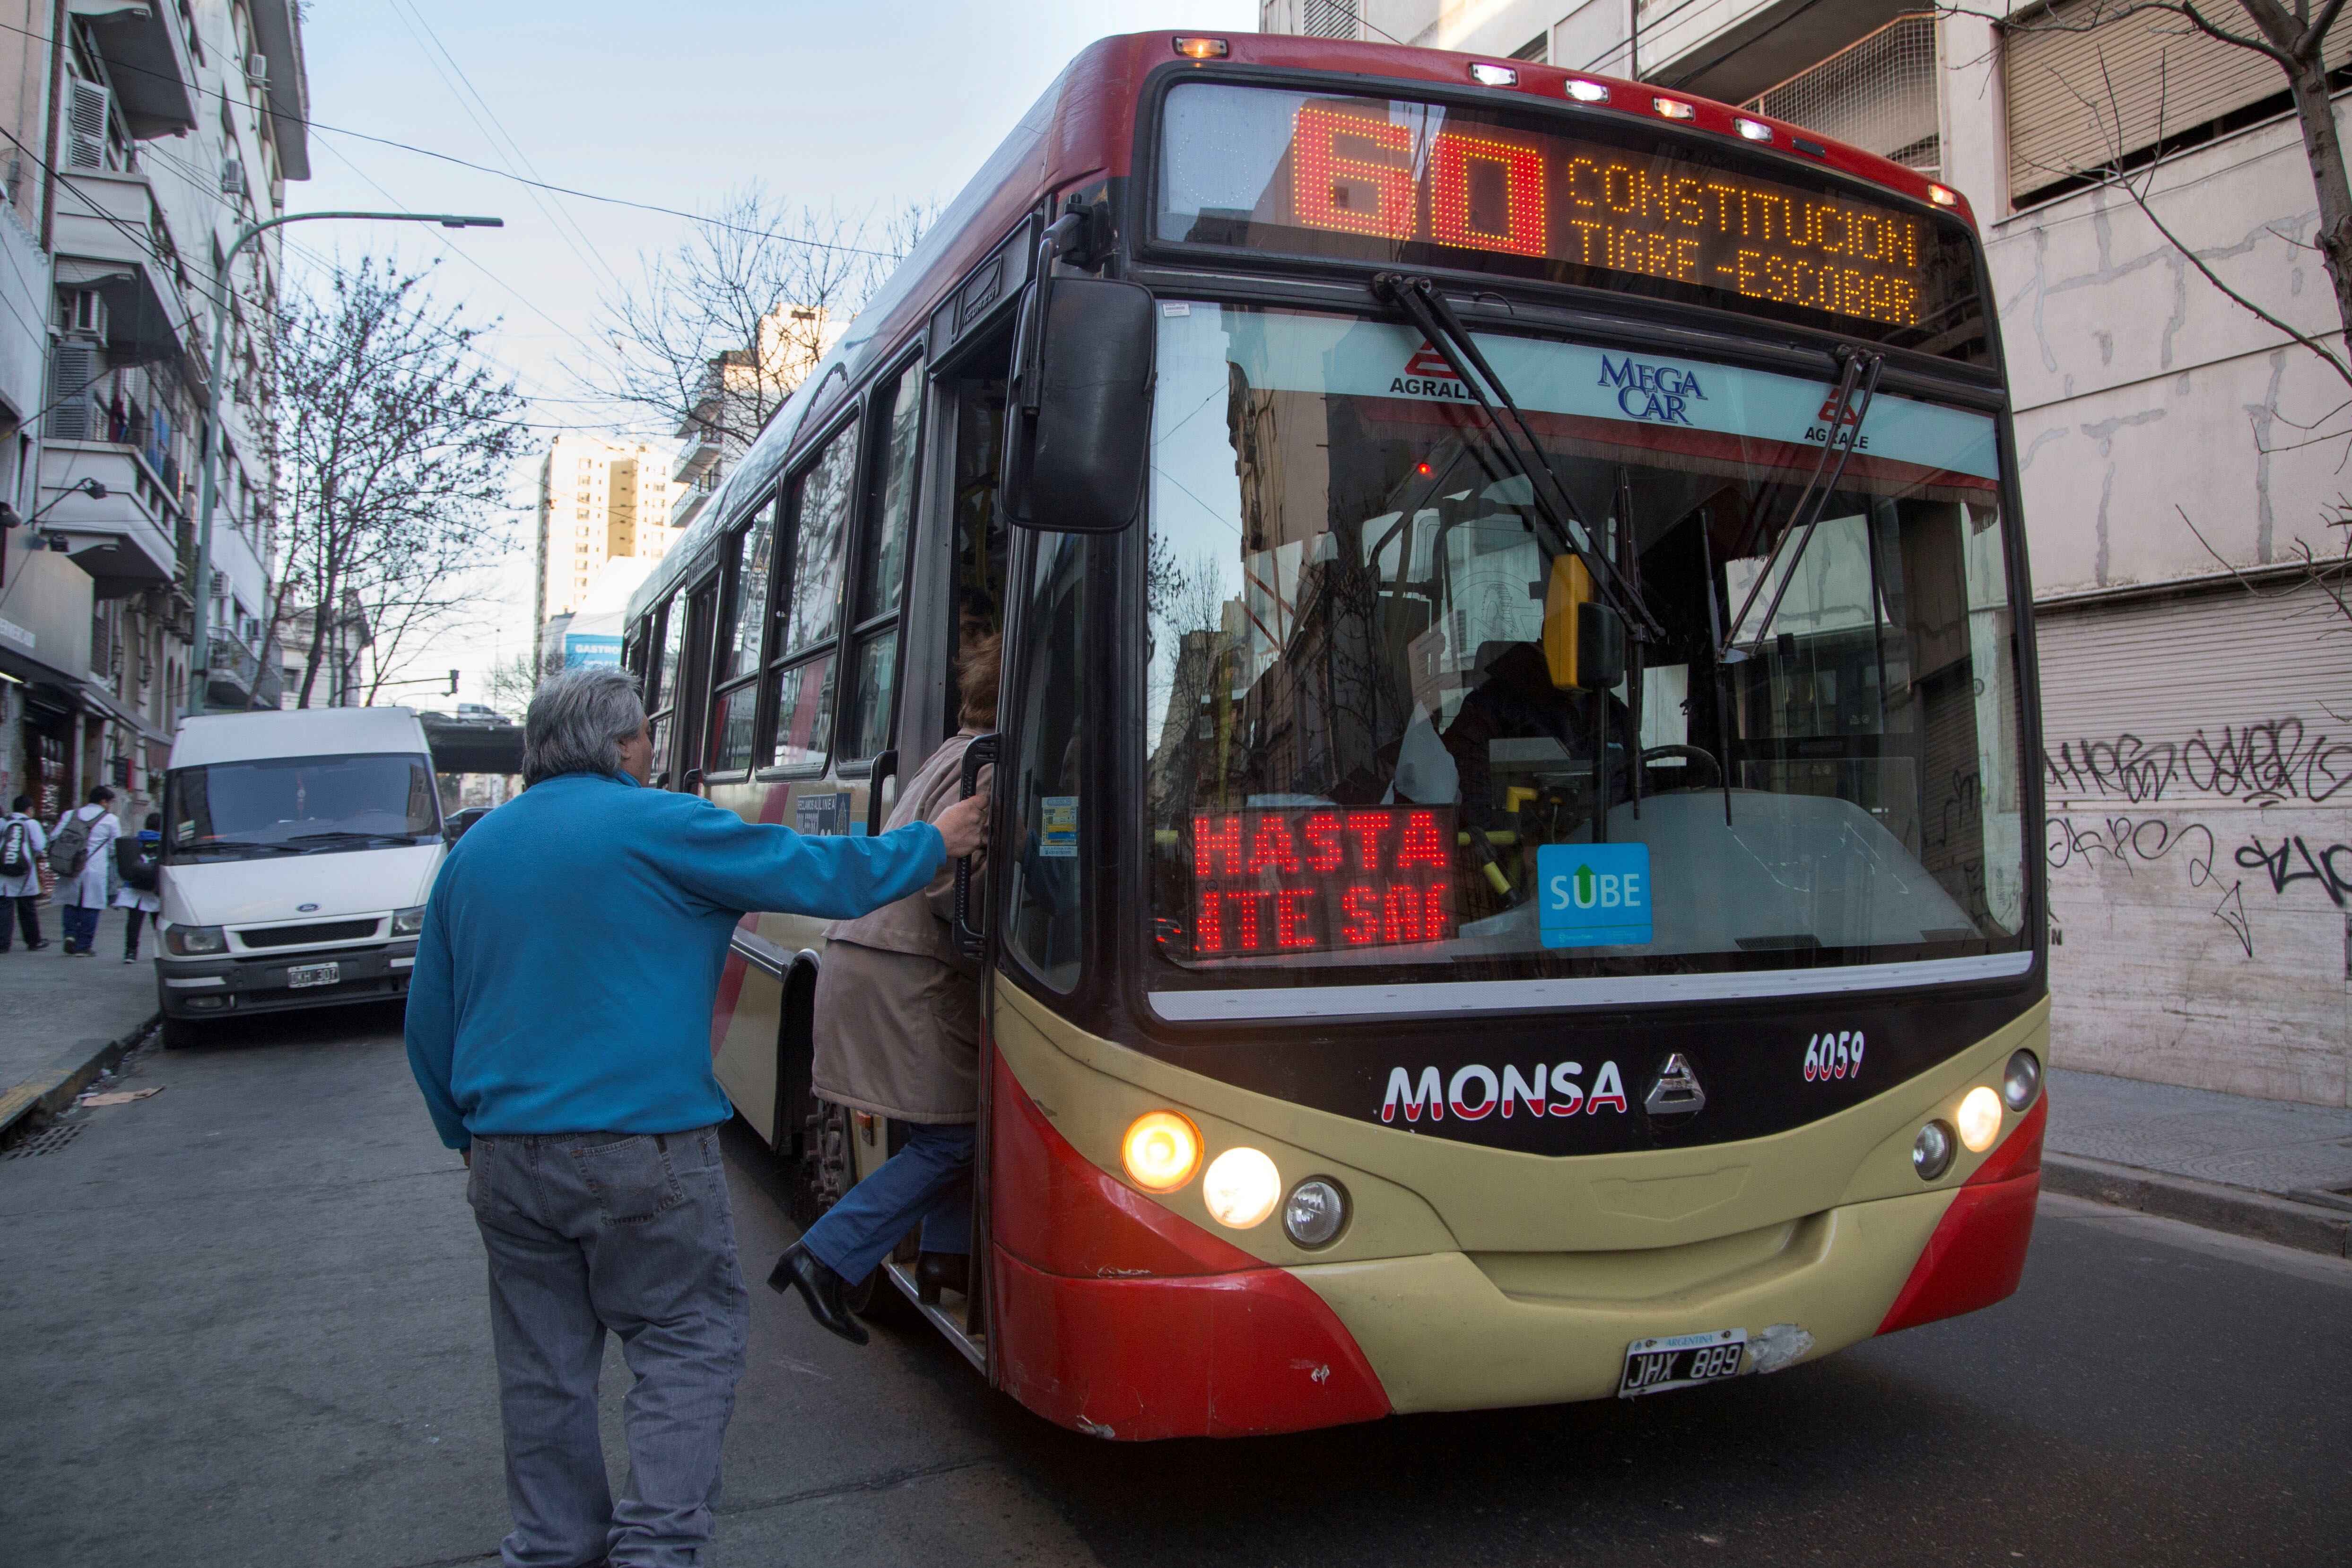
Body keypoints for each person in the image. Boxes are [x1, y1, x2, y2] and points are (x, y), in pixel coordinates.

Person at [404, 667, 987, 1568]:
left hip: (506, 1160)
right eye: (646, 732)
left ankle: (554, 1547)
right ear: (618, 745)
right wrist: (934, 841)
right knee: (686, 1345)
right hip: (643, 1152)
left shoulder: (475, 852)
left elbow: (428, 1024)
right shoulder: (663, 825)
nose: (652, 747)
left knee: (542, 1372)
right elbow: (824, 875)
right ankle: (653, 1551)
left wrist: (466, 1140)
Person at [775, 634, 999, 1342]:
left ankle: (943, 1262)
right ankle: (823, 1257)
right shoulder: (991, 766)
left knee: (954, 1121)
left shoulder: (952, 751)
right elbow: (953, 888)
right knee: (955, 1137)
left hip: (875, 958)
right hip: (911, 974)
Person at [51, 785, 120, 957]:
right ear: (103, 801)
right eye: (109, 802)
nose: (109, 806)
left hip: (71, 865)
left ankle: (70, 935)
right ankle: (83, 946)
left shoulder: (70, 815)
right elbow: (115, 848)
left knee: (71, 902)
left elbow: (54, 837)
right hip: (95, 867)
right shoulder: (111, 820)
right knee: (91, 905)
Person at [0, 795, 48, 951]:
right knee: (27, 909)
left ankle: (3, 943)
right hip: (25, 873)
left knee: (4, 908)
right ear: (29, 809)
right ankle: (34, 941)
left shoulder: (3, 822)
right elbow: (39, 846)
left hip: (4, 873)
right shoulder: (32, 824)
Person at [113, 811, 163, 962]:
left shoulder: (135, 841)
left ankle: (131, 952)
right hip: (155, 889)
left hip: (135, 888)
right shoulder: (165, 842)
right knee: (159, 923)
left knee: (134, 922)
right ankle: (162, 951)